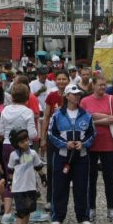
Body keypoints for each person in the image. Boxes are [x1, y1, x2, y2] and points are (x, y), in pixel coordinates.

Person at [48, 84, 96, 224]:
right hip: (62, 156)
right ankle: (57, 217)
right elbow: (51, 133)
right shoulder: (57, 115)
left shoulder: (86, 115)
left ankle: (83, 217)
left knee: (81, 186)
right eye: (74, 94)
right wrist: (64, 144)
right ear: (67, 96)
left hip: (81, 157)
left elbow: (92, 134)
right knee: (60, 186)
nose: (77, 96)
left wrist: (84, 144)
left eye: (78, 94)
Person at [80, 75, 113, 224]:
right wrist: (105, 119)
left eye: (104, 85)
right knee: (91, 178)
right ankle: (91, 208)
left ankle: (111, 209)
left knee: (109, 178)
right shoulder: (85, 101)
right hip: (91, 144)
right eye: (100, 85)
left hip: (108, 144)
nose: (102, 87)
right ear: (93, 85)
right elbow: (84, 120)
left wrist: (97, 118)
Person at [0, 84, 38, 224]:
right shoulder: (27, 112)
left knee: (9, 176)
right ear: (27, 97)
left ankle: (7, 213)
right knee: (23, 177)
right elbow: (32, 134)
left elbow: (0, 131)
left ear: (12, 96)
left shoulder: (5, 110)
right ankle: (26, 210)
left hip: (7, 146)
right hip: (23, 149)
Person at [7, 129, 46, 224]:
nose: (25, 143)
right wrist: (9, 183)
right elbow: (10, 170)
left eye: (26, 140)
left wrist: (43, 177)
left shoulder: (33, 153)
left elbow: (38, 167)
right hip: (18, 187)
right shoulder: (13, 155)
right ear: (16, 143)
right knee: (20, 210)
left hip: (30, 187)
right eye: (22, 141)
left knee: (29, 209)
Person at [41, 70, 69, 206]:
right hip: (53, 136)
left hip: (68, 138)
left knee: (66, 168)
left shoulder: (73, 96)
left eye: (64, 79)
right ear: (55, 81)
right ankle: (49, 199)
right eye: (59, 79)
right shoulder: (51, 96)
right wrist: (43, 138)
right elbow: (46, 117)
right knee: (52, 168)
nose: (62, 81)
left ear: (68, 81)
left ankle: (62, 199)